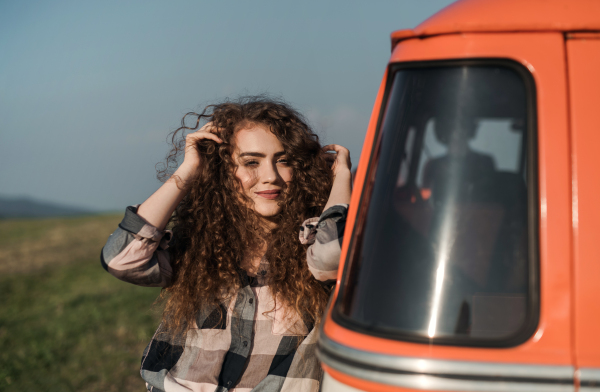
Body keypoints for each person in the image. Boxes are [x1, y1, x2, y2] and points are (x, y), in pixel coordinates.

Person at [100, 97, 352, 392]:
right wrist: (190, 170)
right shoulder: (201, 246)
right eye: (251, 162)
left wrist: (341, 177)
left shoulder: (311, 247)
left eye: (283, 161)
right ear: (223, 171)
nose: (270, 176)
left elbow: (334, 255)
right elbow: (121, 259)